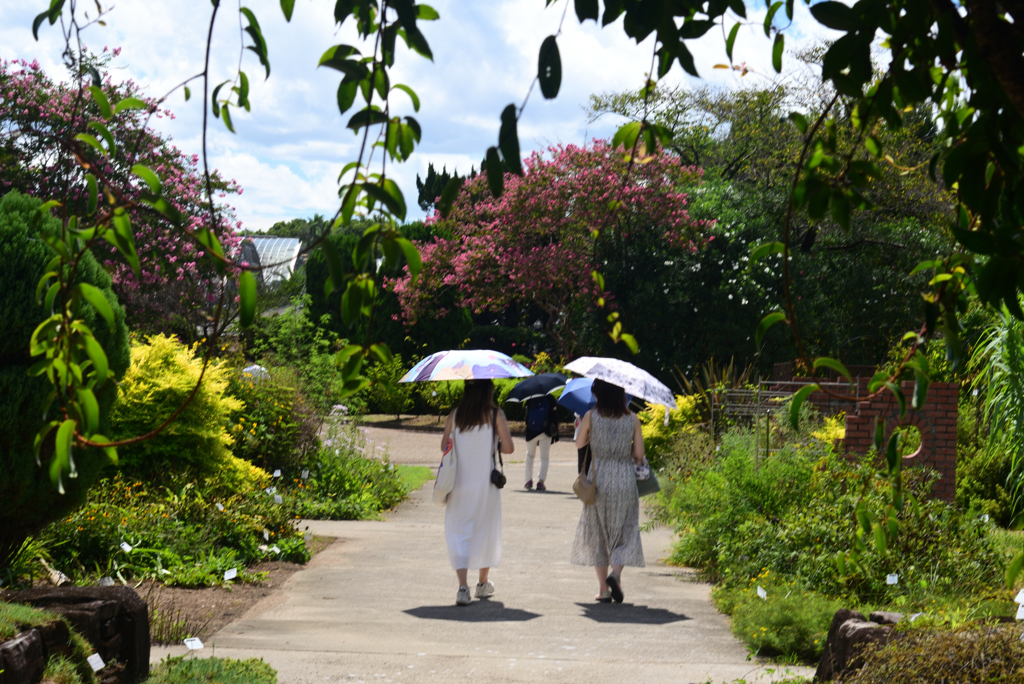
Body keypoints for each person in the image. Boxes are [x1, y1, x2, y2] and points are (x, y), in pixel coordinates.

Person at [570, 378, 645, 603]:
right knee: (625, 531)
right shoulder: (633, 419)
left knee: (597, 533)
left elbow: (579, 444)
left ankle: (603, 589)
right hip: (624, 480)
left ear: (600, 394)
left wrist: (589, 432)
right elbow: (639, 454)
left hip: (598, 480)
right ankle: (616, 574)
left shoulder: (591, 416)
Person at [440, 379, 514, 606]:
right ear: (488, 390)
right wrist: (492, 445)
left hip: (459, 482)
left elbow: (444, 446)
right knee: (485, 529)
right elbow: (509, 448)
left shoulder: (456, 415)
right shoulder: (495, 415)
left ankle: (463, 587)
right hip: (486, 484)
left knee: (460, 531)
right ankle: (482, 583)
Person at [523, 394, 559, 491]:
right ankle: (541, 482)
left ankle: (528, 480)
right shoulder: (550, 398)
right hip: (545, 431)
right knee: (544, 458)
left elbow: (527, 415)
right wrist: (556, 435)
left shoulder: (531, 397)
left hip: (531, 431)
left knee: (530, 455)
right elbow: (554, 416)